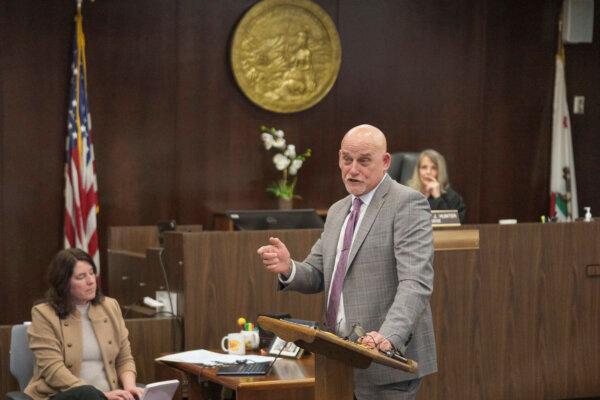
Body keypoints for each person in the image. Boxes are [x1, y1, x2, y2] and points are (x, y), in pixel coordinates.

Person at [257, 124, 436, 400]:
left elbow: (416, 283)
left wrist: (387, 337)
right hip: (337, 361)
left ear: (385, 162)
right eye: (346, 159)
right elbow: (318, 272)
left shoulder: (407, 203)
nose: (353, 170)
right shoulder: (339, 210)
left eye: (364, 161)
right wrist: (289, 268)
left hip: (383, 364)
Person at [25, 248, 144, 400]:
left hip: (110, 395)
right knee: (87, 394)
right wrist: (102, 396)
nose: (91, 281)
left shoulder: (110, 306)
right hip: (62, 395)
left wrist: (130, 389)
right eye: (81, 277)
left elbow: (124, 358)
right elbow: (53, 370)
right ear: (64, 283)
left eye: (92, 273)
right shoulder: (44, 314)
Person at [407, 149, 466, 223]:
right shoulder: (407, 195)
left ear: (440, 171)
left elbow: (453, 226)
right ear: (418, 171)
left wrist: (437, 198)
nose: (428, 172)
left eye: (434, 168)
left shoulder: (453, 198)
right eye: (424, 167)